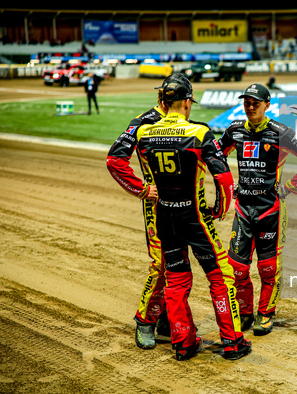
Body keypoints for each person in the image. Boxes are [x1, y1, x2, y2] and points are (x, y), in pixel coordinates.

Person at [115, 73, 251, 361]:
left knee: (175, 279)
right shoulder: (199, 132)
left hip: (163, 216)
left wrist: (142, 189)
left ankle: (183, 342)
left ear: (163, 100)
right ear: (187, 102)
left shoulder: (143, 131)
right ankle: (232, 341)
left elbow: (117, 159)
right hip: (195, 217)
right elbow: (225, 179)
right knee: (220, 276)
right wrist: (219, 209)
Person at [218, 83, 297, 336]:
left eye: (256, 102)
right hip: (243, 210)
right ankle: (245, 313)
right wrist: (226, 186)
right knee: (238, 267)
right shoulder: (234, 130)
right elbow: (215, 156)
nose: (250, 106)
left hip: (270, 211)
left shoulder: (280, 132)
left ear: (267, 105)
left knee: (268, 268)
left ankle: (265, 314)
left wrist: (289, 186)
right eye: (247, 101)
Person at [107, 75, 178, 350]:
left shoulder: (183, 123)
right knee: (160, 263)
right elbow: (114, 159)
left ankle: (165, 318)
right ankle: (144, 320)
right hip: (157, 204)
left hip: (181, 204)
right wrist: (141, 189)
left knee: (177, 264)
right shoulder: (144, 120)